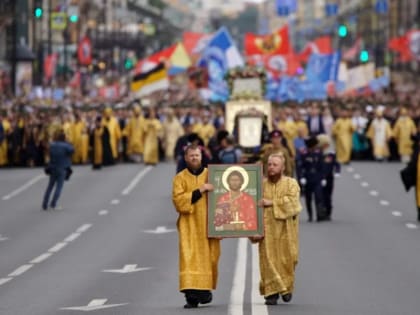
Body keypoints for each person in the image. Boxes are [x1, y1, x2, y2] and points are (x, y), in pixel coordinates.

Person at [172, 145, 220, 309]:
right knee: (189, 259)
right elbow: (179, 202)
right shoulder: (180, 178)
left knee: (210, 258)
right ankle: (191, 296)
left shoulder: (211, 175)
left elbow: (224, 197)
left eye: (197, 155)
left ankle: (204, 291)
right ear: (186, 158)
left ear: (202, 157)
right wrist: (200, 190)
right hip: (189, 227)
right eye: (191, 155)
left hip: (209, 225)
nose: (194, 158)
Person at [250, 153, 301, 305]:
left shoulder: (291, 183)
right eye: (270, 164)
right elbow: (250, 208)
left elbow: (293, 204)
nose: (271, 168)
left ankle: (286, 288)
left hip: (287, 232)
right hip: (267, 232)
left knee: (288, 260)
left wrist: (271, 203)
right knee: (268, 260)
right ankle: (271, 293)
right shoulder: (261, 185)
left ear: (283, 167)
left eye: (275, 165)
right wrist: (252, 230)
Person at [41, 130, 74, 211]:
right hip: (62, 168)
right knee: (59, 187)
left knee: (50, 186)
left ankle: (45, 204)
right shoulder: (66, 146)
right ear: (64, 138)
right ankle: (53, 204)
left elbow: (48, 151)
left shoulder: (52, 145)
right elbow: (72, 150)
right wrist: (68, 143)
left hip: (53, 167)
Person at [317, 134, 340, 221]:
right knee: (320, 196)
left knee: (327, 196)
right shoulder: (318, 154)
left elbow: (336, 164)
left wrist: (337, 172)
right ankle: (321, 212)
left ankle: (328, 212)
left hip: (329, 178)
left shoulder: (330, 154)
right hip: (319, 177)